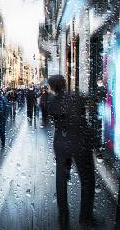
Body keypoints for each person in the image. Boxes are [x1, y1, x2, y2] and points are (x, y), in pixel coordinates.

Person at [47, 75, 97, 229]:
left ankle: (63, 215)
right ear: (65, 83)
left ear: (52, 87)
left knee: (61, 180)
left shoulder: (51, 102)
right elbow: (87, 109)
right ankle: (85, 217)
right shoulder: (76, 98)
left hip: (61, 144)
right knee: (87, 180)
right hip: (79, 143)